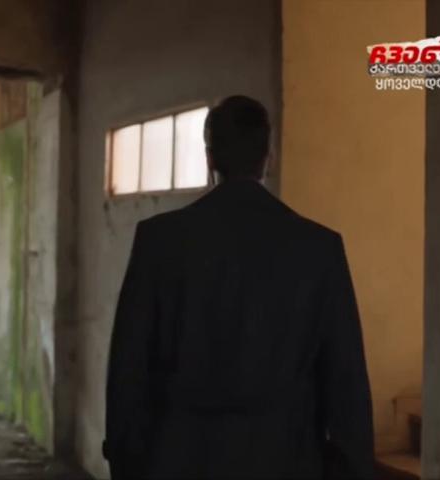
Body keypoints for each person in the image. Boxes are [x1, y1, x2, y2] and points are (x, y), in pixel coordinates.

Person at [103, 96, 374, 479]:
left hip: (177, 459)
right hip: (286, 461)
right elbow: (346, 381)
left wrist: (126, 460)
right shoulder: (318, 248)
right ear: (269, 157)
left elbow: (128, 367)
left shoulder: (160, 241)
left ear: (210, 158)